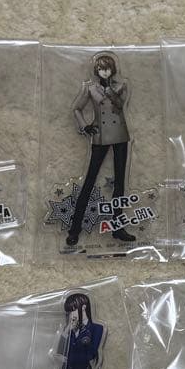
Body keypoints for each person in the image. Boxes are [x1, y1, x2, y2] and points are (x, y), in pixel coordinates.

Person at [66, 53, 137, 247]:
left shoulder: (121, 86)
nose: (104, 72)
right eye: (100, 69)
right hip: (100, 136)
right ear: (96, 70)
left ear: (112, 69)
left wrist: (110, 90)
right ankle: (74, 229)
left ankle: (118, 228)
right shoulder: (90, 88)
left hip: (120, 135)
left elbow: (120, 106)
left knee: (120, 182)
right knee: (89, 180)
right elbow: (76, 108)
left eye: (107, 68)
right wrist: (85, 126)